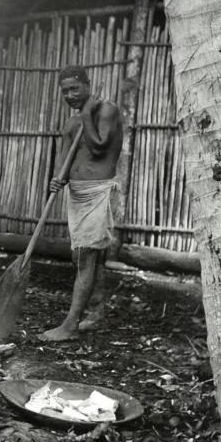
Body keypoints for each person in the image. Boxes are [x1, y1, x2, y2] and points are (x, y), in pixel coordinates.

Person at [40, 65, 123, 342]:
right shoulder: (71, 124)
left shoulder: (107, 111)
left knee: (87, 257)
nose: (70, 95)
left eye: (75, 88)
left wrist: (87, 113)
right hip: (76, 194)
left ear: (88, 85)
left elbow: (98, 145)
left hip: (98, 192)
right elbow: (63, 162)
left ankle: (71, 325)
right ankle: (96, 313)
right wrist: (56, 180)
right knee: (84, 255)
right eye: (64, 91)